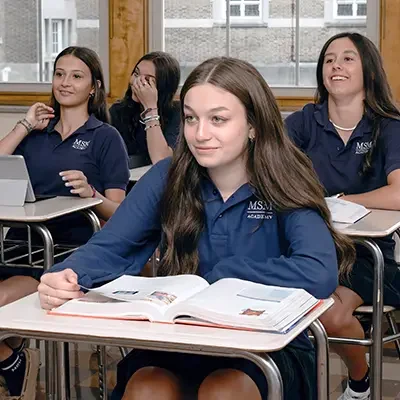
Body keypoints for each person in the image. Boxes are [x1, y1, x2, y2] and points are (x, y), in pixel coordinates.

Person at [38, 57, 355, 400]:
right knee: (148, 389)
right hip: (183, 335)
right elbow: (113, 245)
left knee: (225, 390)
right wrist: (67, 274)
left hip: (266, 342)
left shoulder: (285, 178)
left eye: (218, 119)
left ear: (253, 126)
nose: (200, 134)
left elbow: (318, 273)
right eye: (191, 118)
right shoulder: (167, 176)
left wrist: (221, 276)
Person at [0, 46, 129, 398]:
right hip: (16, 245)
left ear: (94, 88)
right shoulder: (36, 134)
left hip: (67, 252)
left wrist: (92, 193)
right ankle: (12, 359)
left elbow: (120, 214)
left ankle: (13, 360)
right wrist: (24, 125)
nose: (65, 82)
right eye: (59, 74)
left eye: (76, 76)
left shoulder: (105, 137)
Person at [285, 32, 400, 400]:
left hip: (368, 254)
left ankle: (359, 382)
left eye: (348, 58)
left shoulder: (389, 125)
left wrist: (344, 200)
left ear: (368, 69)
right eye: (329, 59)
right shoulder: (304, 122)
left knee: (330, 315)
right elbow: (275, 176)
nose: (336, 65)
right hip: (307, 246)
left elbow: (399, 193)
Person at [109, 51, 181, 168]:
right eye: (136, 74)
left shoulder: (177, 113)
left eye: (147, 80)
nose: (136, 83)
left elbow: (162, 161)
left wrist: (150, 107)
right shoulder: (118, 111)